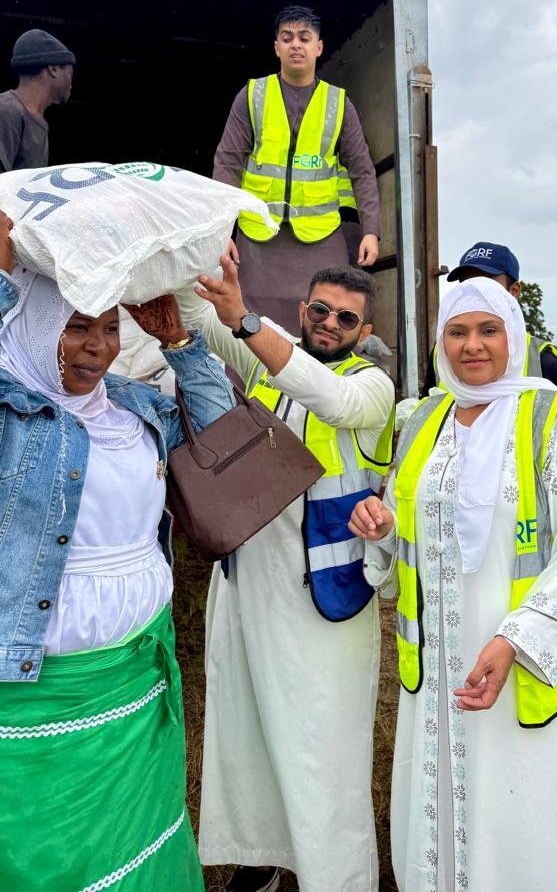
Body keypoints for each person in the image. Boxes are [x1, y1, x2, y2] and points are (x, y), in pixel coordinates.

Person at [349, 277, 557, 892]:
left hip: (517, 658)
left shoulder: (555, 418)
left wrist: (514, 641)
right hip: (443, 660)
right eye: (458, 331)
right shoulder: (423, 418)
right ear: (442, 341)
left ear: (514, 336)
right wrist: (383, 525)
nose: (473, 346)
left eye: (488, 329)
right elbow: (407, 518)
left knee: (521, 800)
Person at [0, 211, 235, 891]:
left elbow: (223, 442)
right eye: (75, 326)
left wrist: (180, 342)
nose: (96, 347)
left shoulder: (133, 407)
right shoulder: (14, 412)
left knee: (142, 855)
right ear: (35, 326)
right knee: (49, 863)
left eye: (109, 327)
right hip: (44, 694)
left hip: (139, 677)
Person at [177, 256, 395, 892]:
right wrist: (196, 257)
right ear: (304, 310)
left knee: (319, 745)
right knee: (245, 729)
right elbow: (198, 314)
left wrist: (246, 321)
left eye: (345, 317)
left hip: (322, 594)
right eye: (319, 310)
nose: (329, 323)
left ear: (365, 326)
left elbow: (332, 399)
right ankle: (260, 858)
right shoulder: (264, 354)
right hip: (249, 582)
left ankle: (337, 877)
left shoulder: (374, 385)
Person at [212, 5, 381, 333]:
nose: (296, 45)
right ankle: (248, 387)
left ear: (319, 47)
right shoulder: (252, 96)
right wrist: (222, 230)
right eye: (287, 38)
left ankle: (316, 384)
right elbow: (227, 163)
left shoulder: (338, 103)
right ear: (276, 47)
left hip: (320, 237)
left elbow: (362, 170)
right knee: (250, 320)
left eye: (305, 38)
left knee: (324, 315)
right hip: (257, 236)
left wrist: (371, 231)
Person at [420, 241, 557, 395]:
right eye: (468, 285)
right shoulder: (442, 352)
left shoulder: (542, 360)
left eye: (487, 285)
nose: (472, 347)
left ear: (514, 291)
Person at [0, 29, 75, 172]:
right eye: (70, 73)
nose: (71, 83)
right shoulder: (5, 110)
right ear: (53, 69)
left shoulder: (39, 123)